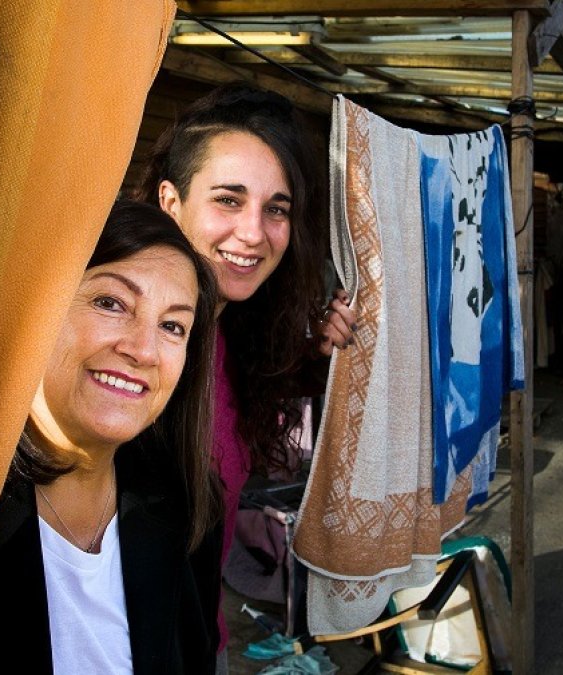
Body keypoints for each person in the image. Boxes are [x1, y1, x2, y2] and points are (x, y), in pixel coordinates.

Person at [135, 82, 358, 666]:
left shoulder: (238, 340)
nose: (254, 233)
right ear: (170, 201)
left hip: (205, 642)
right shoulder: (120, 350)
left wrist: (316, 359)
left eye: (276, 209)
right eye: (228, 200)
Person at [0, 199, 222, 674]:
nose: (143, 350)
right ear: (38, 308)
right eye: (110, 303)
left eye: (172, 326)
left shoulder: (187, 503)